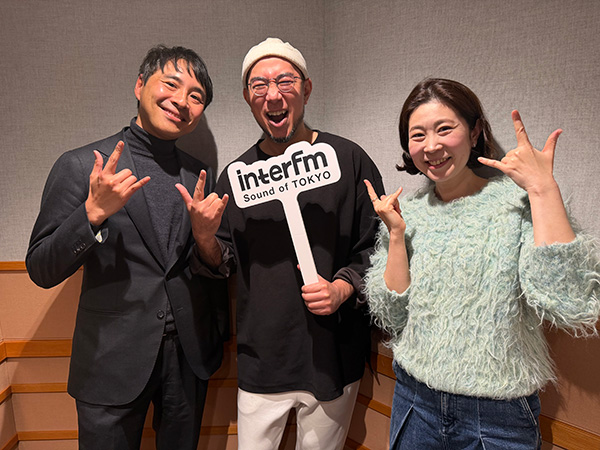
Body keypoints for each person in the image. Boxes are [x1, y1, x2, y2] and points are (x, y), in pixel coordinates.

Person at [363, 78, 600, 449]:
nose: (431, 146)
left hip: (498, 413)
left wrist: (542, 189)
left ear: (474, 133)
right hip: (415, 400)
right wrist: (395, 235)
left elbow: (569, 302)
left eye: (445, 129)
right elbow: (391, 315)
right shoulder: (407, 213)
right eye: (418, 135)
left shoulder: (515, 204)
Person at [26, 45, 229, 450]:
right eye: (171, 84)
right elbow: (41, 268)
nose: (182, 101)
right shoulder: (84, 166)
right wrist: (91, 214)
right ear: (139, 85)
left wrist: (206, 239)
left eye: (196, 96)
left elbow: (211, 263)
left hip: (187, 358)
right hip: (110, 360)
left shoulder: (199, 174)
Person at [187, 37, 384, 449]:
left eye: (285, 81)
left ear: (306, 90)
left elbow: (378, 246)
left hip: (334, 355)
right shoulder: (237, 177)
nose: (272, 94)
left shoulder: (348, 159)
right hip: (263, 357)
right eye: (259, 85)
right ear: (247, 98)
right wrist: (204, 237)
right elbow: (221, 261)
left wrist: (342, 287)